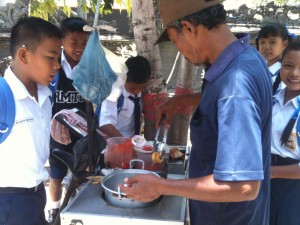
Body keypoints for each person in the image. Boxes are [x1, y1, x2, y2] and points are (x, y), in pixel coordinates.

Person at [120, 1, 272, 225]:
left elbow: (244, 187)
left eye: (174, 40)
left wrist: (161, 187)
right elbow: (226, 102)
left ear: (189, 28)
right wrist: (179, 101)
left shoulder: (235, 86)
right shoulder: (247, 57)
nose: (179, 50)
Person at [0, 17, 61, 225]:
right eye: (51, 58)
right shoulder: (3, 97)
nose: (57, 65)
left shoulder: (44, 94)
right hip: (8, 202)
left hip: (35, 196)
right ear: (24, 55)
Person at [47, 17, 89, 224]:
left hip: (82, 135)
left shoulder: (90, 67)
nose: (80, 48)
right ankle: (54, 210)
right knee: (56, 177)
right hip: (56, 134)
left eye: (84, 43)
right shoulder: (51, 66)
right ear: (62, 41)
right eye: (74, 43)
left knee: (82, 180)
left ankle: (74, 214)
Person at [270, 41, 300, 225]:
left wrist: (268, 172)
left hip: (292, 186)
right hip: (265, 177)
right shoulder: (273, 99)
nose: (295, 73)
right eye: (289, 65)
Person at [98, 55, 151, 138]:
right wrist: (125, 143)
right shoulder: (114, 94)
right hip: (114, 140)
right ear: (123, 79)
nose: (137, 91)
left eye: (142, 88)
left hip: (133, 140)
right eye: (132, 88)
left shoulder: (143, 94)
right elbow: (105, 124)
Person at [256, 22, 289, 94]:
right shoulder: (257, 67)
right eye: (262, 42)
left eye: (272, 42)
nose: (266, 47)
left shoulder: (285, 73)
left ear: (284, 44)